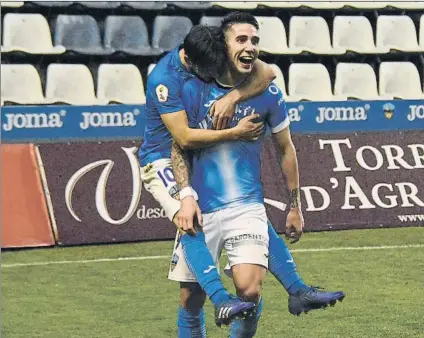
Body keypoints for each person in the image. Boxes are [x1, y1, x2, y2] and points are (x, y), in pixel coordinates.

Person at [171, 12, 345, 337]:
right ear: (222, 47)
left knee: (250, 292)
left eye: (255, 40)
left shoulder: (268, 92)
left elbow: (286, 148)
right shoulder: (194, 88)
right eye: (241, 39)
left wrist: (294, 205)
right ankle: (297, 288)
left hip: (245, 205)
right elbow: (179, 146)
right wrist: (184, 195)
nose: (250, 46)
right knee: (190, 298)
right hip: (200, 206)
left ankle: (294, 292)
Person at [138, 24, 277, 332]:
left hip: (203, 159)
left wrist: (234, 97)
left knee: (247, 276)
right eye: (208, 70)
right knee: (190, 283)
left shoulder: (210, 49)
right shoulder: (164, 80)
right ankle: (221, 296)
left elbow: (268, 72)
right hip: (162, 160)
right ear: (191, 60)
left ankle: (272, 288)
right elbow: (183, 139)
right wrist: (235, 133)